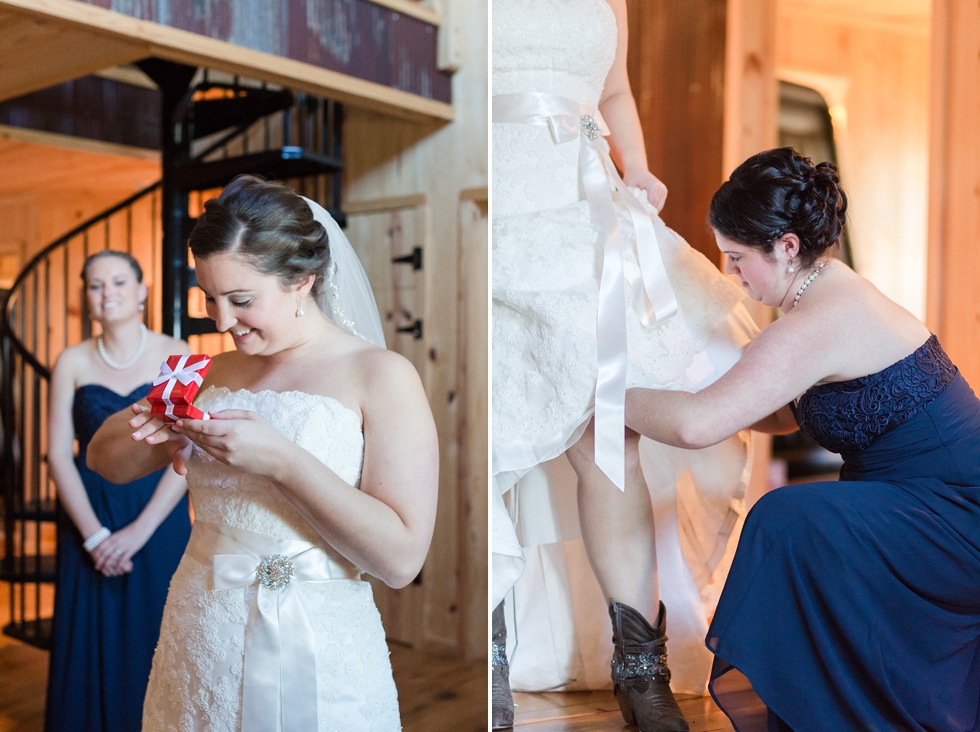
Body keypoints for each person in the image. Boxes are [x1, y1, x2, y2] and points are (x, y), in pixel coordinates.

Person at [625, 147, 980, 732]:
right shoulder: (822, 296)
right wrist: (691, 382)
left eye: (738, 258)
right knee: (805, 521)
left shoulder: (819, 318)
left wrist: (607, 395)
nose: (732, 273)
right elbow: (782, 414)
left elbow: (696, 425)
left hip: (956, 514)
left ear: (787, 247)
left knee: (788, 520)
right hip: (915, 502)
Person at [86, 175, 438, 731]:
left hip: (320, 640)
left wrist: (282, 461)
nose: (221, 321)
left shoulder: (380, 375)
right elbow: (103, 460)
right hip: (202, 629)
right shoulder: (213, 371)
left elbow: (400, 560)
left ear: (303, 280)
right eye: (209, 297)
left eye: (242, 300)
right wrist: (159, 420)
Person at [491, 1, 758, 729]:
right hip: (493, 201)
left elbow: (615, 93)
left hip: (584, 210)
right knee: (483, 436)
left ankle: (639, 667)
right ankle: (484, 658)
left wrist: (636, 168)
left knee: (611, 436)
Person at [45, 250, 191, 732]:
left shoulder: (180, 354)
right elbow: (57, 455)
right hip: (89, 514)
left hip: (158, 515)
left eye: (119, 282)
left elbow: (187, 450)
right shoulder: (70, 360)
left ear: (143, 291)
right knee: (87, 644)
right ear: (85, 296)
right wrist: (94, 537)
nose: (107, 293)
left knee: (155, 637)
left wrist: (138, 532)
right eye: (95, 285)